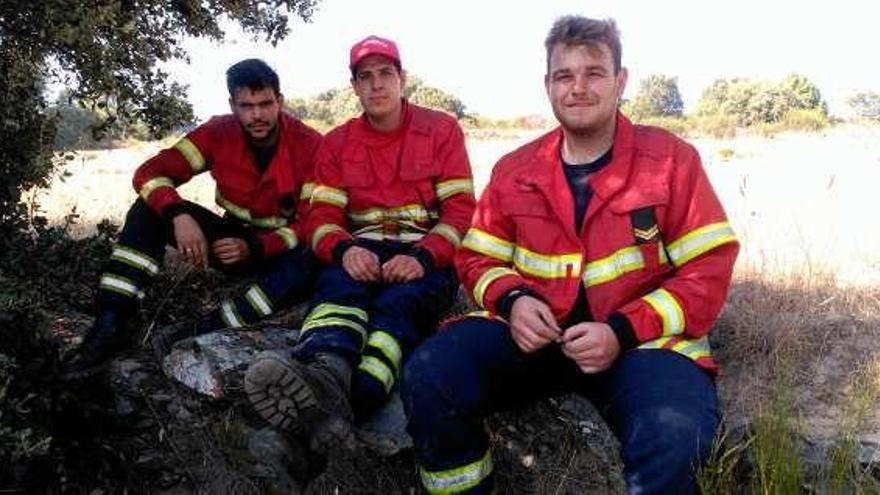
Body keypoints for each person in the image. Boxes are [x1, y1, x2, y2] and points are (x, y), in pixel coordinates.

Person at [401, 16, 739, 494]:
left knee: (675, 441)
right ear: (548, 86)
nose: (578, 88)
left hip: (644, 348)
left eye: (594, 73)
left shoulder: (670, 161)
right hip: (534, 342)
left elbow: (709, 269)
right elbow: (475, 258)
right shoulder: (515, 170)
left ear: (621, 81)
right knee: (430, 376)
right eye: (564, 75)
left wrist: (621, 330)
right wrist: (514, 298)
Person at [244, 35, 475, 452]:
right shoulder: (336, 142)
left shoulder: (442, 129)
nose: (376, 85)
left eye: (386, 73)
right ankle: (327, 372)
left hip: (426, 258)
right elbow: (321, 217)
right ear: (354, 86)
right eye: (365, 77)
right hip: (361, 252)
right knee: (338, 293)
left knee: (397, 308)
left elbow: (460, 210)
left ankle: (353, 400)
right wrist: (345, 250)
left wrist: (423, 257)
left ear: (402, 78)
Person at [63, 58, 322, 376]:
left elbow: (313, 222)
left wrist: (255, 247)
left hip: (281, 252)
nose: (257, 115)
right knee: (148, 209)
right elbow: (150, 173)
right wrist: (177, 213)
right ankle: (111, 322)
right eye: (246, 105)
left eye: (266, 104)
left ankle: (210, 325)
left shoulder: (310, 145)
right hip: (230, 240)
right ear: (232, 105)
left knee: (315, 256)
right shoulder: (217, 133)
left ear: (280, 101)